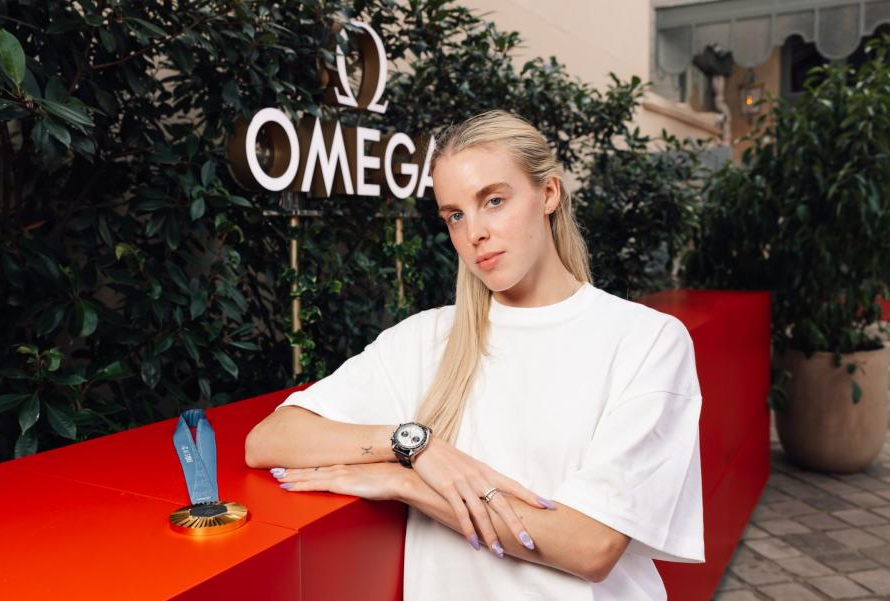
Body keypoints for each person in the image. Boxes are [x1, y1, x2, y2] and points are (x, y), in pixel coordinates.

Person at [244, 109, 705, 600]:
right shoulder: (426, 338)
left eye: (494, 201)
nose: (474, 233)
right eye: (456, 215)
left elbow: (591, 546)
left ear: (548, 193)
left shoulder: (646, 339)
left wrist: (410, 483)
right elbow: (270, 439)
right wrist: (415, 446)